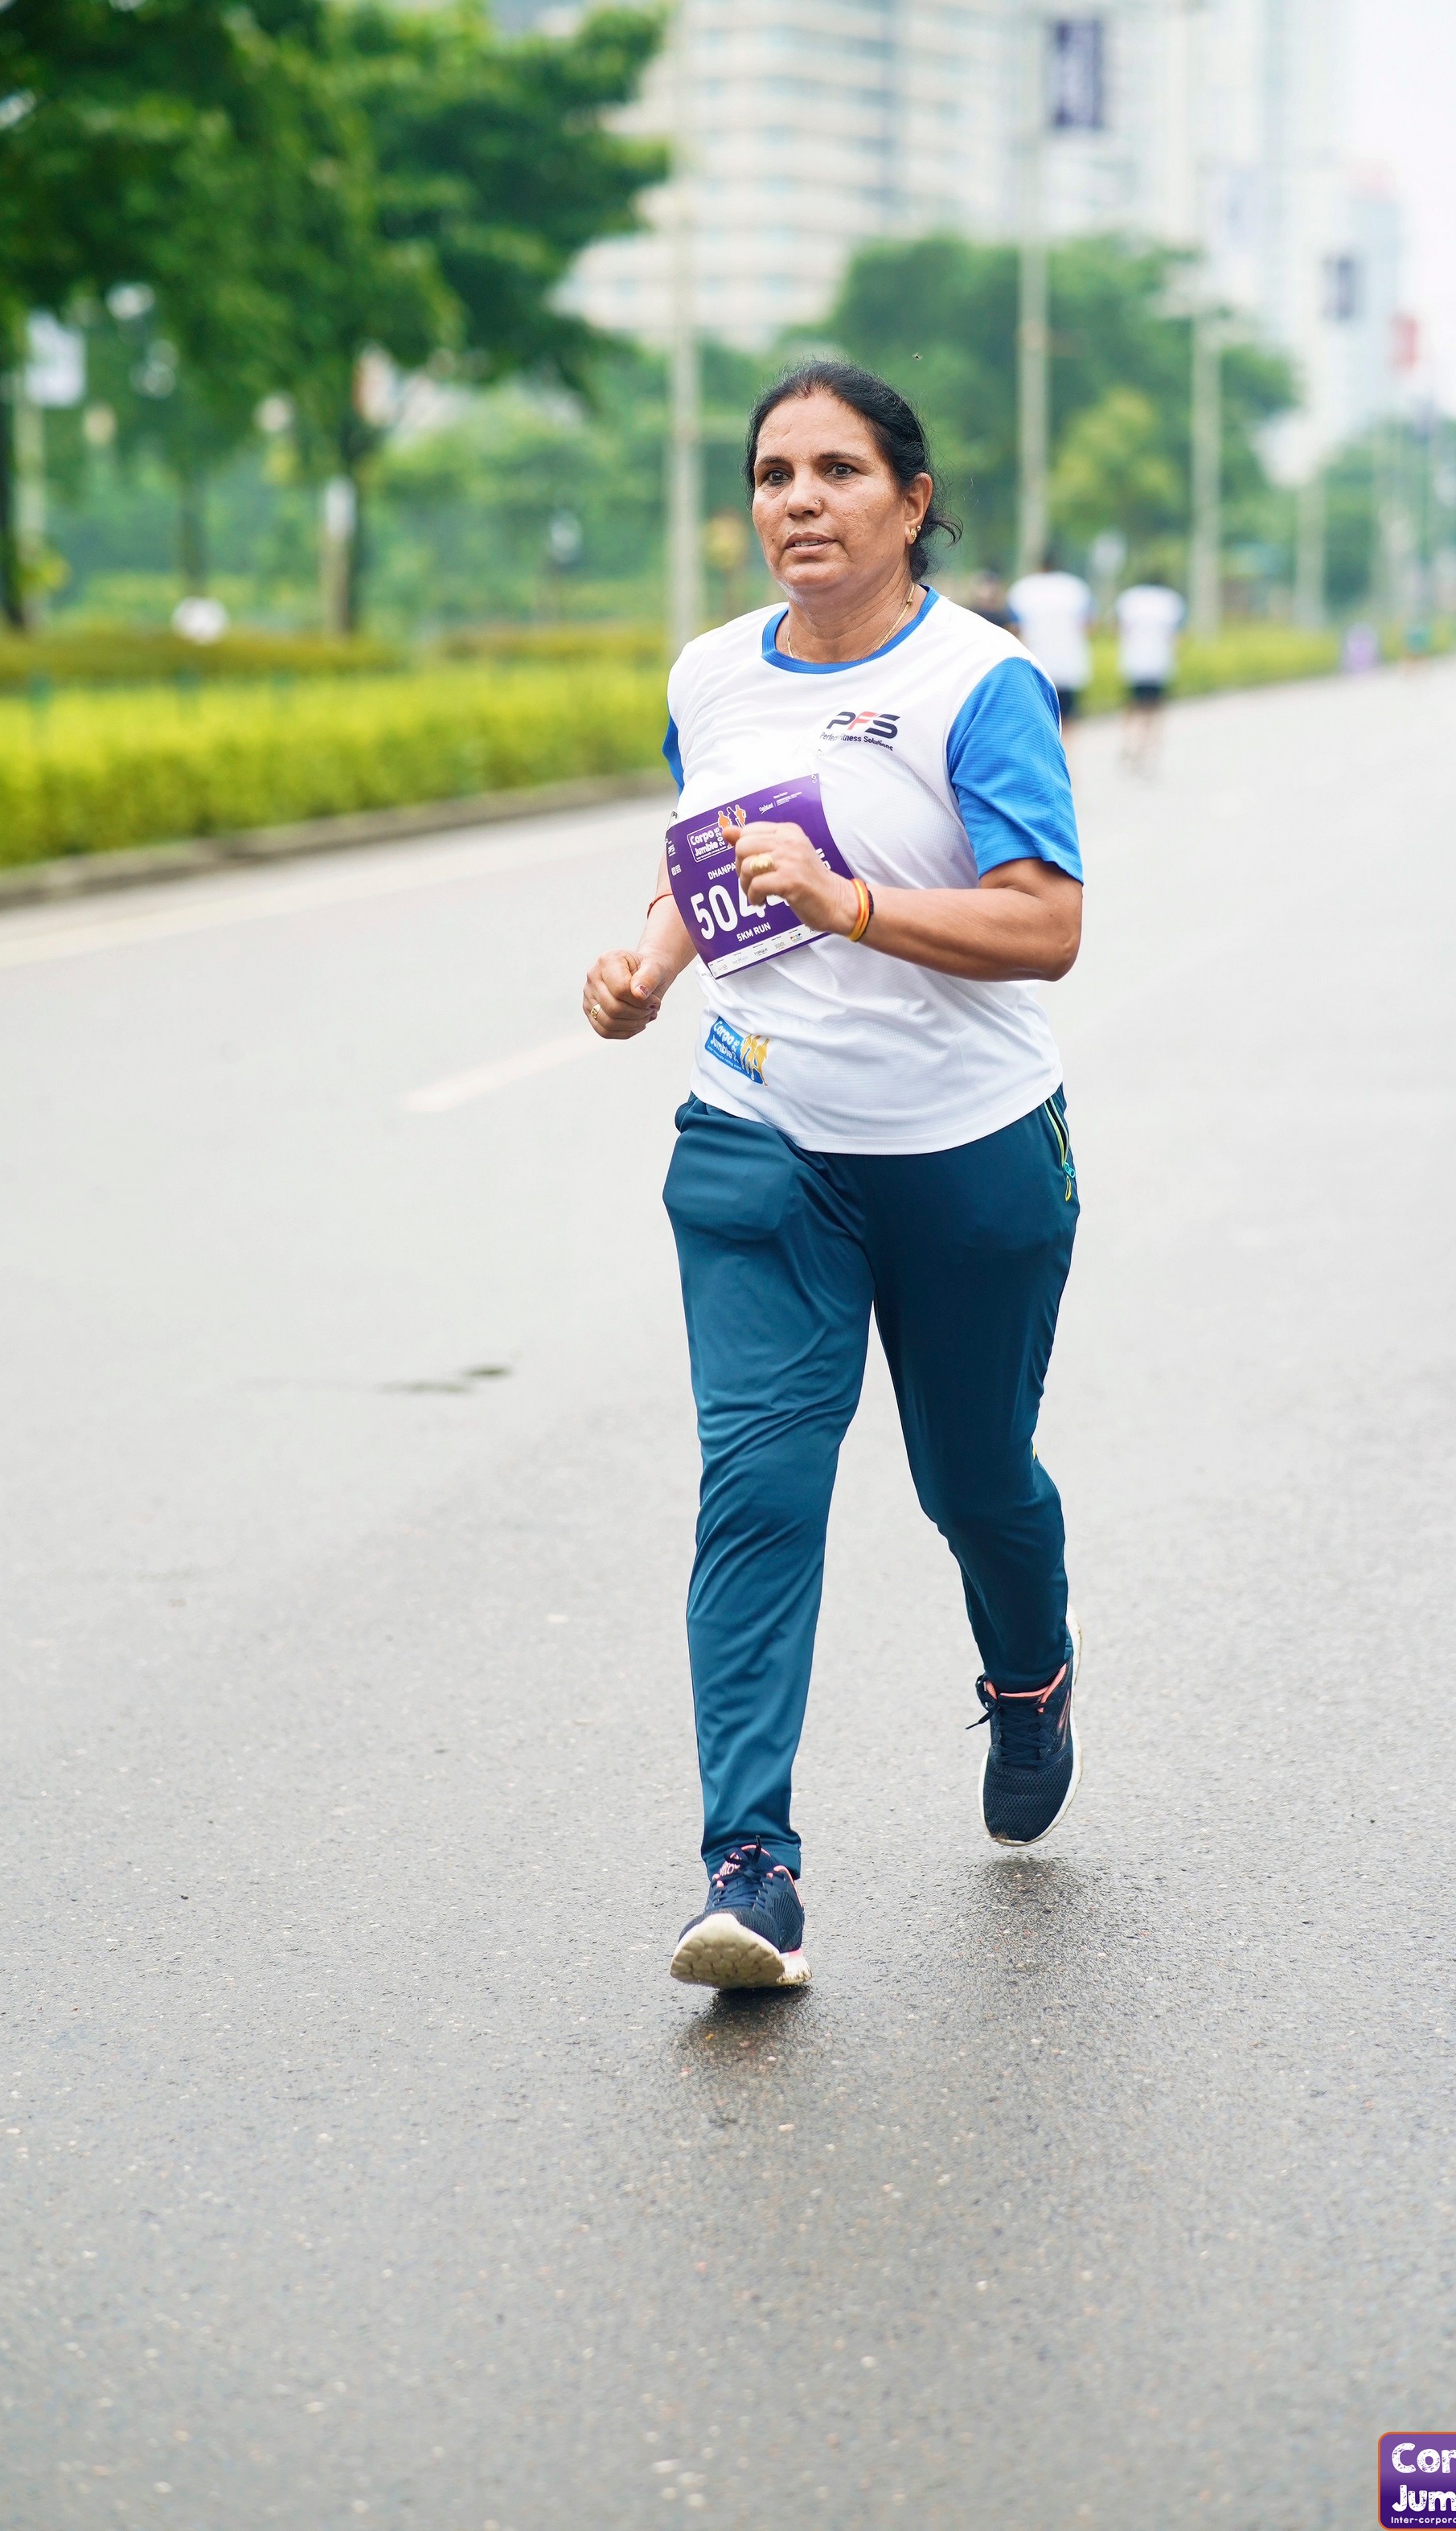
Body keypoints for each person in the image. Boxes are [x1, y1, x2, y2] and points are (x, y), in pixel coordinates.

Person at [582, 361, 1086, 1991]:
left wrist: (850, 900)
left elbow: (1045, 923)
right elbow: (710, 870)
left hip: (965, 1153)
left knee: (972, 1480)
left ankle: (1027, 1674)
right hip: (760, 1136)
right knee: (757, 1486)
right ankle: (750, 1869)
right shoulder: (712, 674)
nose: (796, 499)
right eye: (771, 473)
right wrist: (649, 962)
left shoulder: (977, 682)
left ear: (910, 501)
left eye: (836, 470)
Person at [1007, 559, 1093, 720]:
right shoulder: (1075, 587)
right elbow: (1089, 624)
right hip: (1069, 661)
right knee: (1067, 715)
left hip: (1035, 660)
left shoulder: (1023, 588)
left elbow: (1014, 627)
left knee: (1039, 714)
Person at [1114, 579, 1185, 773]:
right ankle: (1146, 751)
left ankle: (1128, 743)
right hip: (1159, 664)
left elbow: (1116, 627)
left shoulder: (1129, 599)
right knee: (1153, 711)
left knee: (1132, 707)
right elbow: (1177, 636)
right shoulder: (1170, 601)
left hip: (1133, 662)